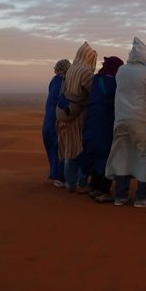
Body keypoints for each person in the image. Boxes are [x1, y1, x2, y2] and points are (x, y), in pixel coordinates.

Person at [105, 37, 146, 207]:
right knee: (144, 156)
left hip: (120, 120)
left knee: (121, 155)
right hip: (141, 121)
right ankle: (141, 197)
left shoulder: (121, 70)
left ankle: (120, 195)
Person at [79, 56, 124, 203]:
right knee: (106, 156)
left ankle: (94, 187)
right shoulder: (114, 82)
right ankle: (103, 191)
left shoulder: (96, 79)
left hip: (91, 121)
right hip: (105, 122)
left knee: (93, 153)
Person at [56, 42, 97, 193]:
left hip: (66, 112)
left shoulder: (71, 69)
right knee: (80, 149)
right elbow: (93, 90)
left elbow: (63, 91)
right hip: (79, 114)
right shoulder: (85, 71)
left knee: (69, 149)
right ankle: (80, 182)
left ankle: (69, 183)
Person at [42, 59, 70, 187]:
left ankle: (57, 175)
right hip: (55, 122)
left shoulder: (54, 80)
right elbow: (62, 100)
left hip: (48, 122)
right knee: (59, 148)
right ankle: (60, 177)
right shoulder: (63, 82)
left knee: (54, 150)